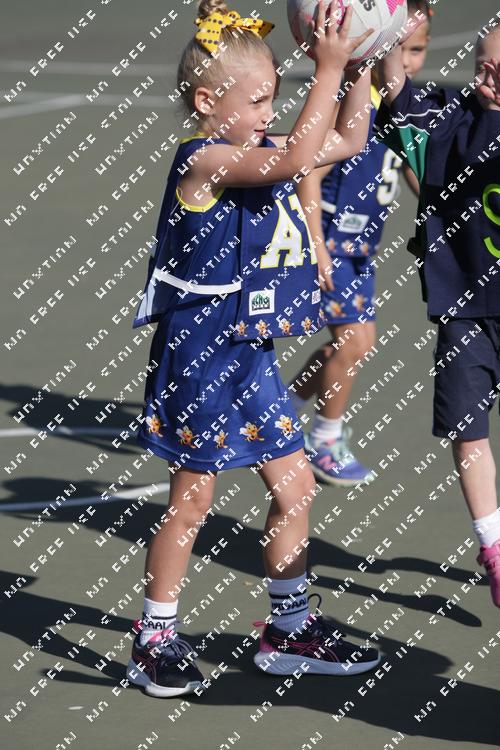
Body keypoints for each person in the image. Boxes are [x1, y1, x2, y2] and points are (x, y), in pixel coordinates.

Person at [126, 0, 381, 699]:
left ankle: (288, 631)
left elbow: (349, 139)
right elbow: (299, 157)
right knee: (192, 500)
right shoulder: (203, 161)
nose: (272, 111)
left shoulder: (256, 150)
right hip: (199, 357)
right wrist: (326, 66)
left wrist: (358, 68)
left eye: (274, 97)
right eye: (261, 99)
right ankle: (154, 638)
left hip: (249, 353)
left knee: (297, 487)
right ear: (208, 103)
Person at [376, 15, 500, 607]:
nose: (485, 78)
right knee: (468, 433)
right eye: (481, 66)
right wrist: (384, 27)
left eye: (499, 70)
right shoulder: (450, 117)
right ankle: (494, 546)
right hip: (466, 311)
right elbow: (395, 89)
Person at [287, 0, 432, 486]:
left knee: (349, 346)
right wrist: (316, 242)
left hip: (360, 251)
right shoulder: (356, 101)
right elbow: (307, 171)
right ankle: (324, 440)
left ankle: (279, 408)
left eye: (416, 50)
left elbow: (414, 170)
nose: (407, 60)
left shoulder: (401, 108)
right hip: (329, 242)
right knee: (354, 342)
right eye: (399, 48)